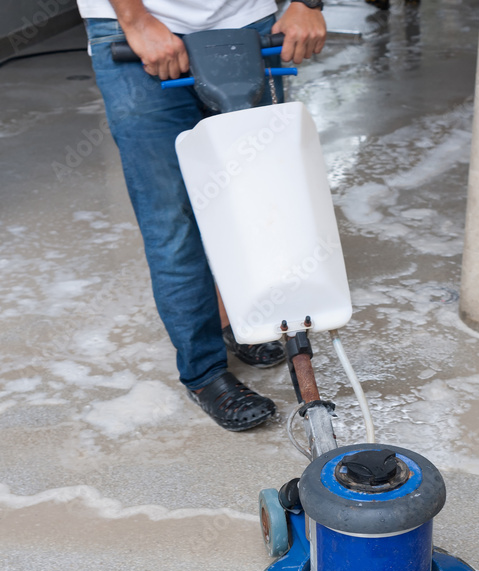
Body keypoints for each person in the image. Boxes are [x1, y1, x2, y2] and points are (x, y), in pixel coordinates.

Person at [77, 0, 326, 430]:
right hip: (137, 34)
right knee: (172, 216)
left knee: (255, 199)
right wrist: (136, 20)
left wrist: (307, 3)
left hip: (245, 22)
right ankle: (204, 372)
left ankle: (238, 318)